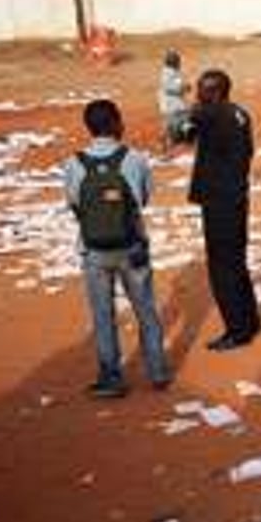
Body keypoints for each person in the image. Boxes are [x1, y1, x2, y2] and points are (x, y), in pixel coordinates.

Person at [64, 100, 171, 398]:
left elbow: (73, 203)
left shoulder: (74, 164)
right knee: (146, 309)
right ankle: (158, 371)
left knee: (102, 314)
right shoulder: (134, 159)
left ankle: (111, 377)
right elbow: (144, 199)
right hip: (133, 246)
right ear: (116, 124)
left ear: (89, 127)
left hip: (93, 251)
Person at [178, 70, 261, 350]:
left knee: (222, 269)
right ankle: (249, 322)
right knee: (237, 263)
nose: (197, 95)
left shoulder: (209, 114)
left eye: (202, 90)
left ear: (215, 92)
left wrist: (190, 115)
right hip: (237, 197)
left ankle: (236, 331)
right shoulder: (239, 113)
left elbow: (181, 135)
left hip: (219, 201)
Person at [157, 49, 189, 153]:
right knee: (169, 126)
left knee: (180, 122)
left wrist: (184, 87)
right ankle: (165, 144)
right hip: (170, 105)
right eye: (177, 60)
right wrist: (183, 87)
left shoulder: (174, 72)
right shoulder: (167, 73)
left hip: (176, 105)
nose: (179, 62)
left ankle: (175, 144)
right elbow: (170, 87)